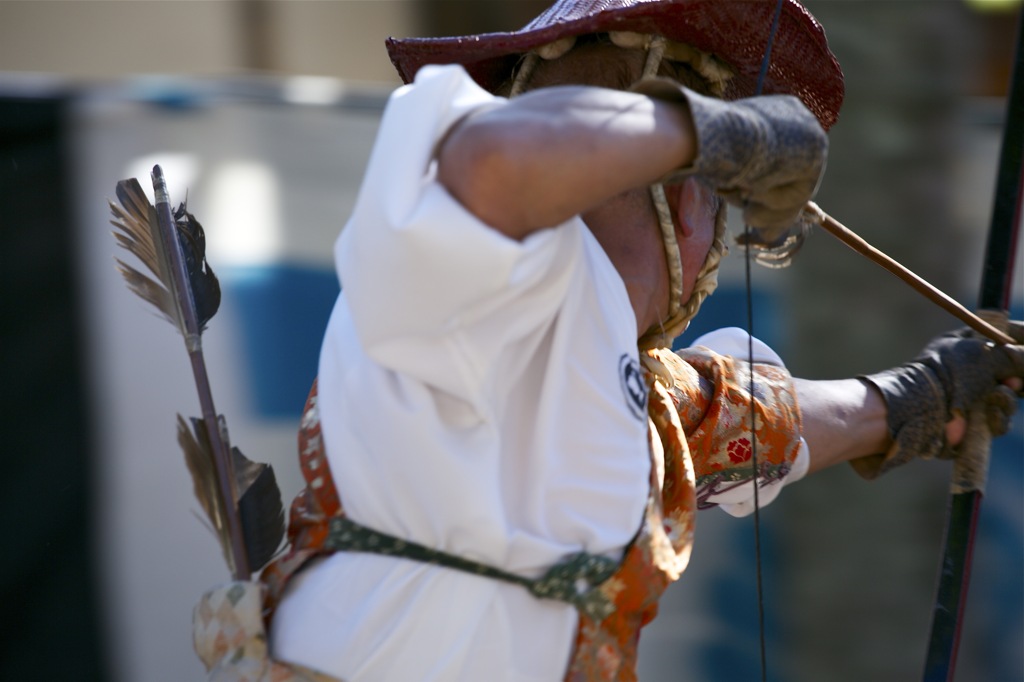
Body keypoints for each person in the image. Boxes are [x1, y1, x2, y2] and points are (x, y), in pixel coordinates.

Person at [192, 1, 1024, 680]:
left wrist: (928, 393)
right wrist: (716, 135)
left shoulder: (632, 386)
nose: (713, 238)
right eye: (714, 198)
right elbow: (492, 157)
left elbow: (774, 421)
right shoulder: (479, 279)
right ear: (669, 192)